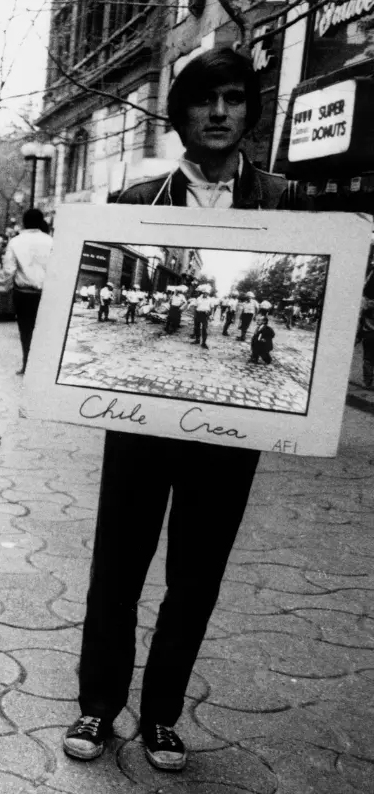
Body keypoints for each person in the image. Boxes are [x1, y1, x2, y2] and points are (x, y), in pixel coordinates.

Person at [63, 47, 304, 774]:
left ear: (251, 112)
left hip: (232, 434)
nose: (220, 113)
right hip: (138, 425)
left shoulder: (287, 202)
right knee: (118, 566)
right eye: (205, 101)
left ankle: (163, 716)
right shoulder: (137, 203)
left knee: (196, 576)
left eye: (234, 99)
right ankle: (98, 705)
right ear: (181, 115)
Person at [1, 208, 53, 373]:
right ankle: (43, 366)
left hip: (23, 294)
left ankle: (27, 364)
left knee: (26, 330)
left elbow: (9, 269)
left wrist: (7, 287)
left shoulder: (15, 242)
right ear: (41, 222)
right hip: (46, 294)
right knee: (45, 331)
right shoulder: (51, 241)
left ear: (23, 222)